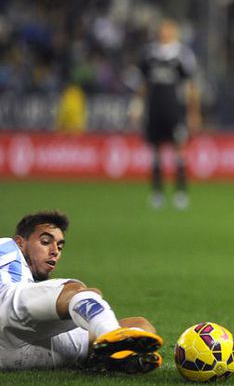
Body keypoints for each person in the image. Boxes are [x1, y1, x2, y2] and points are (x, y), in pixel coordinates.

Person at [0, 210, 163, 372]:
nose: (55, 251)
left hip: (19, 349)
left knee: (139, 324)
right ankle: (111, 335)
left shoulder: (26, 280)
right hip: (6, 306)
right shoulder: (6, 246)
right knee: (77, 291)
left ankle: (111, 354)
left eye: (60, 246)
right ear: (19, 242)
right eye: (45, 242)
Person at [131, 19, 201, 210]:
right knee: (155, 151)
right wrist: (137, 106)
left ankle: (180, 192)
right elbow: (142, 83)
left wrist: (194, 112)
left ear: (175, 32)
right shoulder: (149, 54)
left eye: (168, 30)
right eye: (162, 30)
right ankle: (157, 192)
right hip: (154, 108)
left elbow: (191, 85)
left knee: (180, 149)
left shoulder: (183, 54)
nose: (165, 33)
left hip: (175, 109)